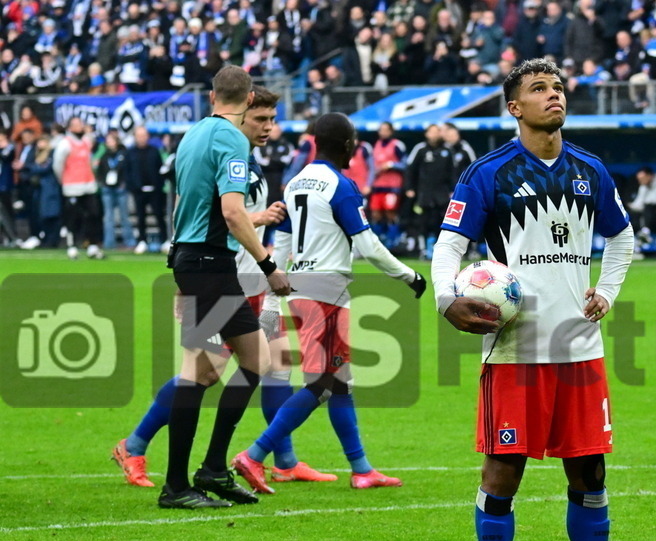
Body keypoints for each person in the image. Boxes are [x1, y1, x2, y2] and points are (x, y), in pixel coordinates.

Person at [430, 58, 643, 541]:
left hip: (579, 349)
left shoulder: (590, 170)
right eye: (539, 89)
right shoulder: (487, 174)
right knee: (502, 474)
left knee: (590, 474)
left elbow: (621, 237)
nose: (554, 96)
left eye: (558, 87)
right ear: (514, 107)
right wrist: (447, 300)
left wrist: (608, 291)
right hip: (515, 351)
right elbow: (449, 247)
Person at [110, 87, 331, 488]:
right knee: (203, 372)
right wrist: (256, 227)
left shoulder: (248, 160)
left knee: (274, 363)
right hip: (226, 278)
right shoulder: (225, 150)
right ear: (241, 112)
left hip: (248, 281)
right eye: (260, 118)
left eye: (272, 119)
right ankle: (138, 445)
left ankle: (283, 460)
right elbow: (212, 213)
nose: (268, 127)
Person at [231, 112, 426, 494]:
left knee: (339, 382)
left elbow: (280, 247)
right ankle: (254, 455)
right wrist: (409, 276)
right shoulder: (341, 185)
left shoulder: (294, 183)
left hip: (300, 287)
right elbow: (368, 245)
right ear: (348, 146)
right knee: (323, 383)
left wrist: (270, 300)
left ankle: (362, 469)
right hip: (327, 291)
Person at [161, 65, 291, 509]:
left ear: (212, 96)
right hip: (209, 264)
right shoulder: (232, 139)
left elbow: (185, 206)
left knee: (254, 360)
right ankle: (177, 485)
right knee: (200, 372)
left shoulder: (193, 134)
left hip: (196, 261)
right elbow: (233, 212)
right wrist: (269, 265)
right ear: (249, 98)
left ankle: (213, 469)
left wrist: (180, 269)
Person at [53, 117, 104, 260]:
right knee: (73, 218)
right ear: (69, 128)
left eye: (80, 124)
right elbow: (57, 165)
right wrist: (64, 180)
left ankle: (92, 245)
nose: (80, 127)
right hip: (72, 187)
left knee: (93, 214)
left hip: (88, 185)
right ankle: (72, 246)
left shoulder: (85, 141)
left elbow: (91, 138)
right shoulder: (65, 143)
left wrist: (88, 131)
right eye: (76, 125)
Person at [405, 123, 456, 258]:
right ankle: (423, 249)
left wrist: (453, 190)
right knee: (422, 222)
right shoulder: (420, 149)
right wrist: (409, 188)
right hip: (424, 193)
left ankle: (439, 249)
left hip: (442, 194)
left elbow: (453, 172)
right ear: (426, 134)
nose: (434, 134)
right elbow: (410, 169)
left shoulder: (447, 150)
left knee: (441, 222)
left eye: (436, 131)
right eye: (431, 132)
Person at [125, 127, 171, 253]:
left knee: (159, 215)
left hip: (155, 190)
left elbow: (160, 170)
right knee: (140, 217)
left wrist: (158, 185)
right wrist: (133, 187)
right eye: (139, 135)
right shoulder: (130, 153)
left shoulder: (154, 151)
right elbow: (127, 171)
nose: (142, 138)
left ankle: (164, 240)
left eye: (144, 135)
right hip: (138, 191)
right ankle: (142, 241)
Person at [369, 121, 407, 249]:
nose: (383, 132)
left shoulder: (397, 145)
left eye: (386, 130)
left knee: (390, 213)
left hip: (392, 186)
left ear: (391, 131)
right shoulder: (376, 145)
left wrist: (391, 165)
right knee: (376, 214)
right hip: (378, 185)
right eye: (381, 129)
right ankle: (378, 242)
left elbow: (405, 163)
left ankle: (393, 242)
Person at [95, 130, 134, 250]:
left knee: (124, 216)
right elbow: (99, 171)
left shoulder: (123, 154)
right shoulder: (104, 155)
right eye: (107, 141)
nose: (109, 143)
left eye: (111, 140)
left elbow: (128, 170)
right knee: (108, 217)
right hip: (107, 189)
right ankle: (109, 243)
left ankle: (129, 241)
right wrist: (102, 183)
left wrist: (124, 182)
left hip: (120, 188)